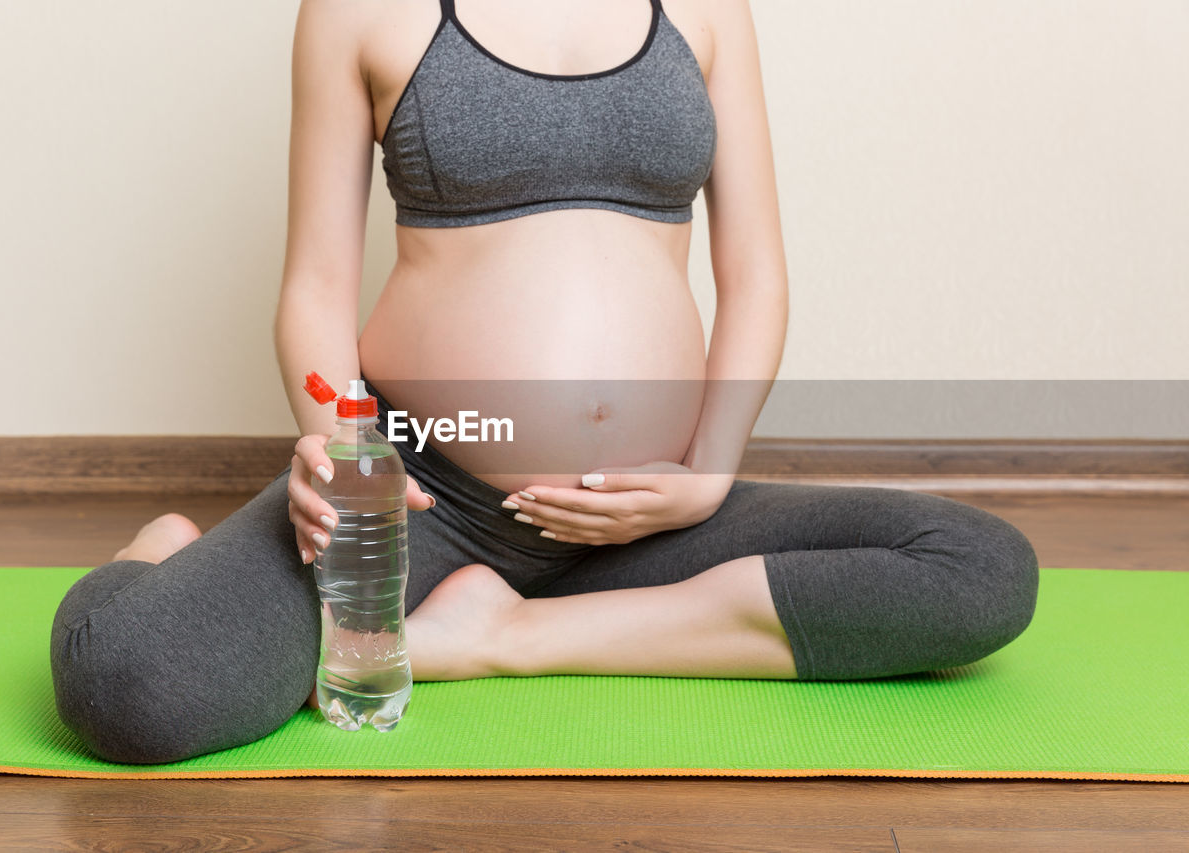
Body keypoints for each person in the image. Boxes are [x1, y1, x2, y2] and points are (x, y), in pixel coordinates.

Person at [50, 0, 1038, 764]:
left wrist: (706, 473)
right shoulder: (358, 9)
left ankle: (507, 633)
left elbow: (756, 275)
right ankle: (160, 549)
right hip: (426, 497)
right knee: (131, 682)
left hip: (650, 511)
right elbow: (313, 283)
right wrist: (343, 448)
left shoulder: (704, 9)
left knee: (977, 571)